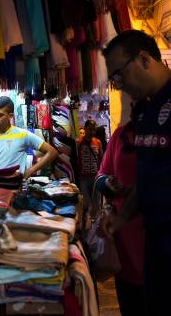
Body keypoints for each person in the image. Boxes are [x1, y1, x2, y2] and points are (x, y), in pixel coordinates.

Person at [101, 29, 171, 315]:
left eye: (119, 76)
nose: (118, 86)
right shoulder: (143, 112)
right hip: (156, 250)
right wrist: (120, 219)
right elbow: (146, 179)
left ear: (144, 59)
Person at [94, 120, 146, 315]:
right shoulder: (121, 135)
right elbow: (101, 175)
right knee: (131, 304)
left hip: (159, 242)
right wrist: (108, 182)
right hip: (124, 244)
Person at [0, 96, 58, 179]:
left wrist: (31, 170)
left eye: (0, 115)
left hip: (15, 188)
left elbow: (52, 152)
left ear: (10, 116)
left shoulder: (23, 135)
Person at [76, 119, 103, 212]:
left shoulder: (98, 142)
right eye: (90, 129)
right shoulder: (78, 142)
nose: (92, 132)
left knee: (96, 204)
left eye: (94, 130)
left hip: (95, 178)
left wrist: (101, 174)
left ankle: (95, 223)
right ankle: (85, 221)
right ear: (85, 129)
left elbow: (101, 158)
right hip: (83, 178)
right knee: (86, 203)